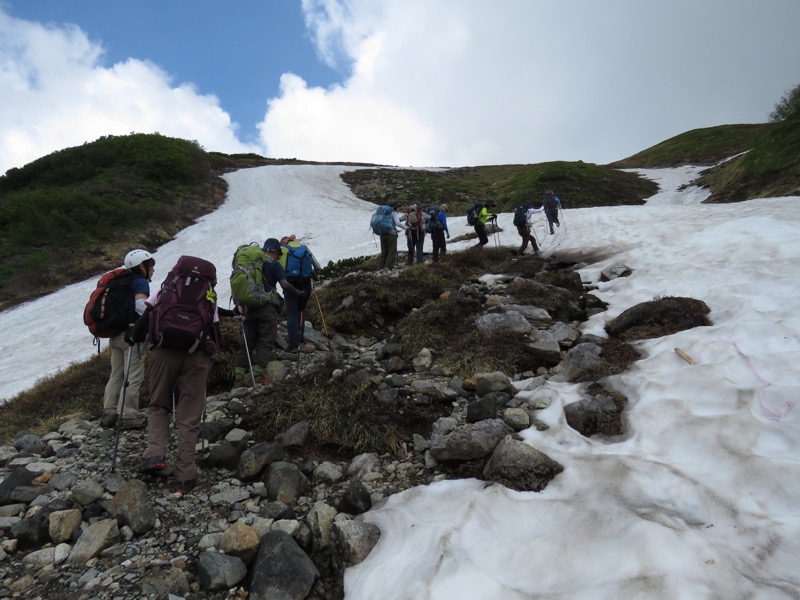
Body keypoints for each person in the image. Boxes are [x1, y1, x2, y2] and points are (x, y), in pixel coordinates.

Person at [130, 256, 243, 495]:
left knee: (158, 404)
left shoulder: (169, 286)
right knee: (190, 414)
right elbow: (213, 324)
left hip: (164, 351)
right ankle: (185, 475)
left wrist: (135, 337)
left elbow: (149, 313)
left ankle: (156, 454)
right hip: (196, 355)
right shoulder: (208, 293)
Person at [234, 238, 305, 384]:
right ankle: (259, 375)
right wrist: (298, 293)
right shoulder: (274, 264)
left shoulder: (251, 264)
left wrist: (239, 303)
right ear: (273, 251)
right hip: (267, 307)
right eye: (278, 253)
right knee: (266, 340)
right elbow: (284, 284)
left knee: (248, 341)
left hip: (250, 307)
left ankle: (239, 376)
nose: (279, 256)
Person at [101, 249, 155, 430]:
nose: (153, 269)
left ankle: (110, 412)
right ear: (142, 266)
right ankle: (129, 414)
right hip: (132, 335)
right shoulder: (139, 282)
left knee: (116, 374)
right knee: (133, 375)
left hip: (115, 335)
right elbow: (141, 305)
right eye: (150, 265)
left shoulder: (117, 282)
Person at [279, 235, 322, 352]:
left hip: (290, 285)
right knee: (301, 310)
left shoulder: (282, 250)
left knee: (292, 314)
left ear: (283, 242)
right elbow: (317, 266)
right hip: (305, 284)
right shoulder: (304, 248)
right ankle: (300, 337)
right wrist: (312, 274)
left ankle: (294, 344)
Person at [376, 202, 408, 269]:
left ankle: (380, 267)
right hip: (391, 234)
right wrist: (407, 228)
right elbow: (398, 223)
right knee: (392, 251)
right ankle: (389, 267)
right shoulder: (393, 213)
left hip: (382, 234)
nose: (400, 209)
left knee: (384, 252)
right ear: (395, 207)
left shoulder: (383, 213)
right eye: (399, 207)